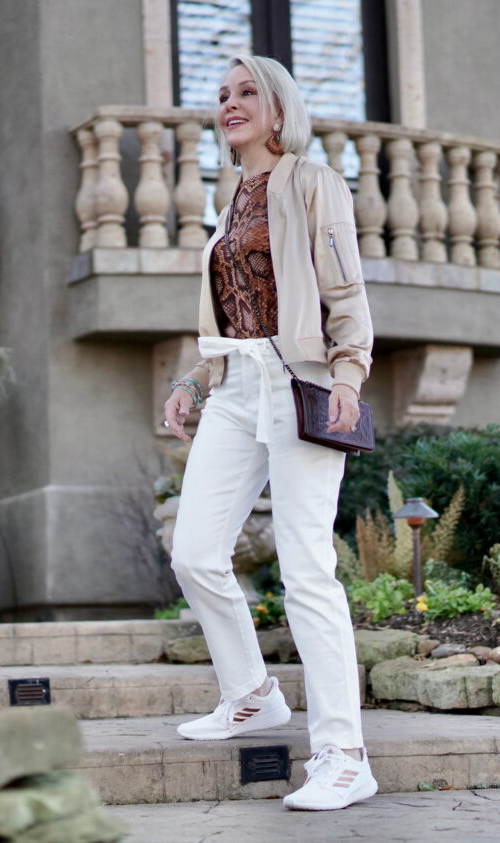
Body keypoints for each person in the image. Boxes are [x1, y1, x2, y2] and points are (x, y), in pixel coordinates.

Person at [162, 54, 376, 811]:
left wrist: (349, 375)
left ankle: (344, 754)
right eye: (222, 94)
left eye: (247, 91)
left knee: (308, 568)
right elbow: (235, 313)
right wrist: (193, 379)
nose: (230, 102)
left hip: (300, 382)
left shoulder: (312, 183)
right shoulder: (229, 201)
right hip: (234, 385)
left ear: (278, 109)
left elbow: (344, 290)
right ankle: (251, 692)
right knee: (194, 551)